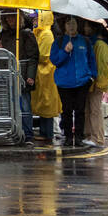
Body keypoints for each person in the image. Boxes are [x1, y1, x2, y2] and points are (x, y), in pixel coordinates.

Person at [51, 16, 97, 148]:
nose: (72, 26)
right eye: (69, 24)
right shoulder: (59, 41)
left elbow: (91, 60)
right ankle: (68, 137)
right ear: (64, 26)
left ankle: (78, 137)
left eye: (74, 23)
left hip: (82, 81)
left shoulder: (85, 41)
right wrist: (65, 51)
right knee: (66, 110)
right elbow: (55, 60)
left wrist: (92, 76)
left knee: (80, 110)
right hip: (64, 82)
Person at [0, 11, 37, 144]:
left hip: (23, 75)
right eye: (7, 17)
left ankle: (28, 134)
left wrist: (31, 76)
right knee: (8, 105)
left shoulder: (26, 34)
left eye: (12, 16)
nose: (9, 20)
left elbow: (33, 57)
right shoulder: (2, 35)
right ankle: (10, 132)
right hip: (6, 76)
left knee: (25, 106)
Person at [31, 9, 61, 142]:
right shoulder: (40, 33)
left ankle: (47, 133)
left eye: (36, 18)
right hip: (42, 73)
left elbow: (43, 56)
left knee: (47, 103)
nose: (33, 20)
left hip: (46, 74)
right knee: (43, 103)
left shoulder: (47, 34)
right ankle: (44, 132)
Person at [83, 24, 108, 147]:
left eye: (86, 26)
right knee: (90, 110)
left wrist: (98, 83)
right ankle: (91, 136)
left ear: (93, 28)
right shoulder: (95, 43)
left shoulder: (100, 45)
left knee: (95, 110)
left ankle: (98, 138)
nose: (85, 28)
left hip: (96, 83)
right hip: (93, 82)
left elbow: (101, 67)